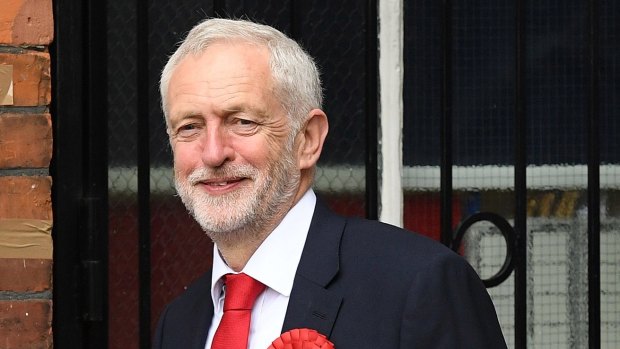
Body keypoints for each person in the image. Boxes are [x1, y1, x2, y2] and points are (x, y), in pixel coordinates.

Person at [153, 17, 507, 349]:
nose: (213, 153)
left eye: (243, 121)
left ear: (307, 140)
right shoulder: (180, 324)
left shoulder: (419, 285)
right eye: (189, 127)